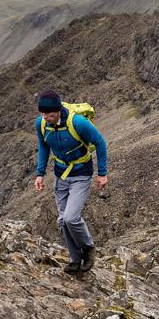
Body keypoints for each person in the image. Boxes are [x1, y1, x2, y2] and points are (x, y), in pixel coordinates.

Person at [34, 89, 108, 273]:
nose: (45, 117)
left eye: (49, 114)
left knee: (71, 218)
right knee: (62, 221)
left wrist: (102, 173)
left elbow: (100, 142)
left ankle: (89, 248)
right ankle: (75, 260)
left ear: (58, 110)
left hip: (81, 175)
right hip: (61, 176)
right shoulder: (41, 124)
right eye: (42, 113)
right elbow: (43, 146)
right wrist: (40, 174)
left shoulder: (78, 122)